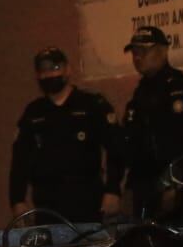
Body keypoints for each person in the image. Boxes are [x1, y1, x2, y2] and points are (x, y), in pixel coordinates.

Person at [9, 47, 123, 223]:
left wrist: (113, 190)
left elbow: (116, 148)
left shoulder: (91, 104)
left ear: (67, 69)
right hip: (47, 205)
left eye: (55, 68)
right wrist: (17, 200)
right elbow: (19, 160)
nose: (49, 75)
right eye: (43, 70)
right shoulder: (33, 112)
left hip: (87, 201)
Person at [122, 25, 183, 219]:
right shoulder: (141, 91)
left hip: (168, 181)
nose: (137, 57)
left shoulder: (176, 86)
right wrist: (129, 185)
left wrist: (175, 185)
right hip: (143, 183)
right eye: (135, 52)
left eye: (143, 51)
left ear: (162, 51)